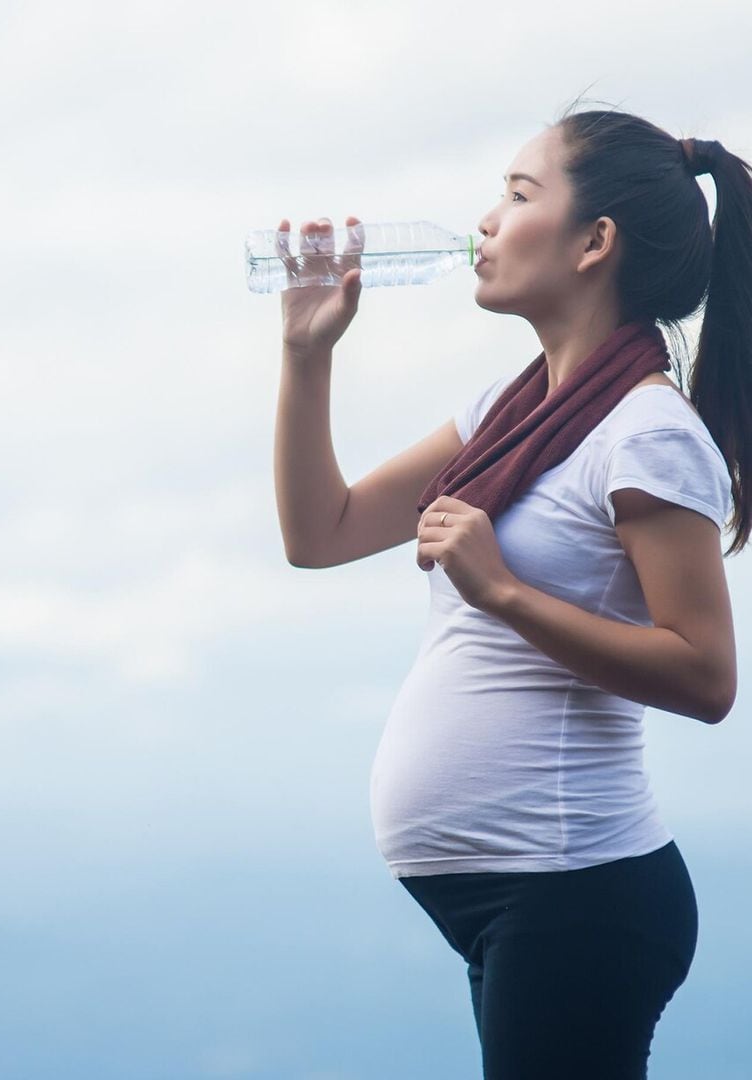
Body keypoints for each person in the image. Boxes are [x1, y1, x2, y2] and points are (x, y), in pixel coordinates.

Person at [273, 101, 749, 1079]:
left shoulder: (646, 435)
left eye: (519, 194)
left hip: (576, 898)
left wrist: (504, 593)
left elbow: (706, 677)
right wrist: (305, 356)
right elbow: (320, 535)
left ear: (595, 243)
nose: (487, 220)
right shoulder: (512, 409)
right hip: (523, 900)